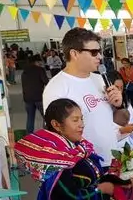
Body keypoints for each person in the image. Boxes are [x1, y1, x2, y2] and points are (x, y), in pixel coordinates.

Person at [42, 27, 128, 166]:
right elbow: (56, 135)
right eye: (94, 52)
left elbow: (119, 121)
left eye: (99, 52)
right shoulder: (57, 88)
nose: (99, 57)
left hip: (112, 159)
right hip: (84, 166)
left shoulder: (101, 80)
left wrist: (119, 105)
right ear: (74, 54)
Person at [20, 55, 48, 133]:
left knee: (30, 117)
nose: (40, 63)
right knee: (46, 117)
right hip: (39, 97)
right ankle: (47, 133)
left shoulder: (25, 71)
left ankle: (29, 135)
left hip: (28, 98)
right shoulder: (40, 70)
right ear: (36, 62)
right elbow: (46, 82)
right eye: (39, 62)